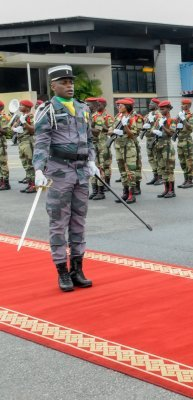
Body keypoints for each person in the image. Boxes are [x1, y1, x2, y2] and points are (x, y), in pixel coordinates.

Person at [32, 65, 100, 292]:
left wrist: (92, 160)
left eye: (71, 82)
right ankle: (62, 271)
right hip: (59, 171)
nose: (69, 86)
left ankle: (77, 268)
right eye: (64, 82)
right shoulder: (47, 110)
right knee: (58, 222)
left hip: (81, 171)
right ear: (53, 86)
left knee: (79, 221)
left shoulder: (82, 108)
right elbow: (41, 141)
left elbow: (89, 138)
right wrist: (38, 170)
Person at [112, 98, 142, 204]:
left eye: (121, 105)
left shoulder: (131, 119)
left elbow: (132, 134)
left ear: (127, 107)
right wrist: (113, 131)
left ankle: (131, 194)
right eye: (119, 105)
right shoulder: (117, 117)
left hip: (128, 147)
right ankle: (125, 193)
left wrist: (125, 126)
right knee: (122, 171)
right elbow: (111, 129)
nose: (119, 106)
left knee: (130, 171)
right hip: (118, 146)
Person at [88, 98, 114, 200]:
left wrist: (85, 127)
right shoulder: (89, 116)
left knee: (101, 167)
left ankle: (101, 190)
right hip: (92, 145)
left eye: (88, 104)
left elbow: (97, 132)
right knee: (92, 167)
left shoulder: (98, 117)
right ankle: (94, 190)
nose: (86, 106)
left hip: (101, 145)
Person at [152, 100, 178, 198]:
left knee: (169, 169)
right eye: (160, 109)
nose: (161, 111)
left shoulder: (172, 120)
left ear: (168, 109)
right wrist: (155, 130)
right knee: (162, 169)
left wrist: (163, 126)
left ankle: (171, 190)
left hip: (166, 146)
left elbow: (171, 133)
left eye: (163, 109)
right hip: (158, 146)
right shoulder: (159, 120)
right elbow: (153, 130)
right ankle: (166, 189)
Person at [14, 100, 36, 193]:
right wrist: (15, 127)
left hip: (28, 141)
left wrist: (24, 123)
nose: (19, 107)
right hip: (21, 142)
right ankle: (30, 184)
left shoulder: (30, 116)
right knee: (25, 164)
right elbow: (14, 127)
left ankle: (34, 185)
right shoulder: (20, 117)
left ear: (27, 107)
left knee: (30, 163)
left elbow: (33, 130)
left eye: (21, 105)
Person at [176, 99, 193, 188]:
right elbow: (174, 125)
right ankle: (185, 179)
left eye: (183, 104)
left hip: (187, 141)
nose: (181, 106)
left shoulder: (191, 116)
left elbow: (190, 128)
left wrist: (184, 119)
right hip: (180, 141)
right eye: (181, 104)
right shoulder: (180, 115)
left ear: (188, 105)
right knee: (182, 161)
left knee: (189, 161)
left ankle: (190, 181)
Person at [143, 98, 162, 186]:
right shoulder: (148, 114)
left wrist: (152, 122)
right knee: (151, 158)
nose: (150, 104)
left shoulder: (158, 114)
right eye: (150, 103)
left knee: (157, 158)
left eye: (152, 103)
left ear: (157, 105)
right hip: (148, 139)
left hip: (155, 139)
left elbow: (159, 126)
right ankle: (155, 175)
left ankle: (160, 177)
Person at [0, 101, 11, 190]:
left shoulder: (3, 118)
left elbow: (6, 131)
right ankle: (1, 181)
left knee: (3, 162)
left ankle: (6, 182)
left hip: (1, 144)